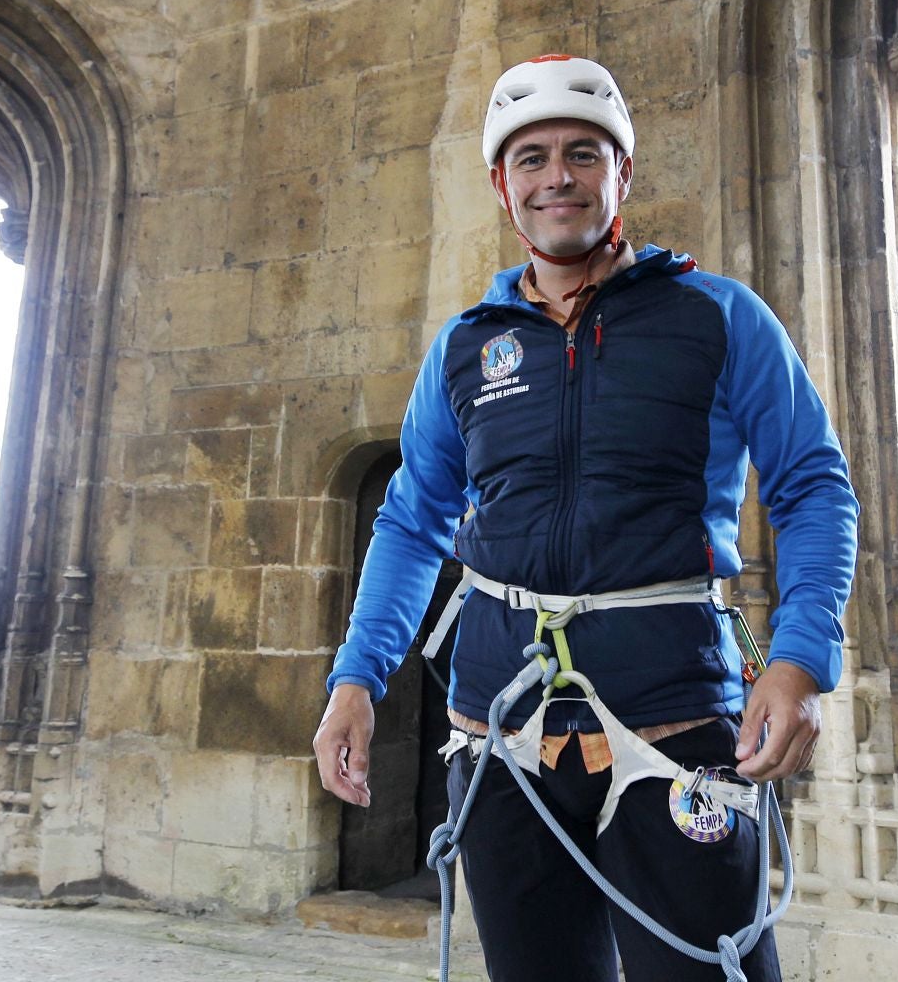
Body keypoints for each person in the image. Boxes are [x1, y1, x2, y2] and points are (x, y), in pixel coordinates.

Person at [313, 54, 859, 981]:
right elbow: (413, 522)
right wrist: (357, 677)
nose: (555, 177)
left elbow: (812, 486)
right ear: (501, 183)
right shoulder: (464, 348)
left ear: (622, 173)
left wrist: (802, 661)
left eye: (580, 154)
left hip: (677, 724)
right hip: (500, 731)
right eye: (529, 158)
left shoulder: (719, 317)